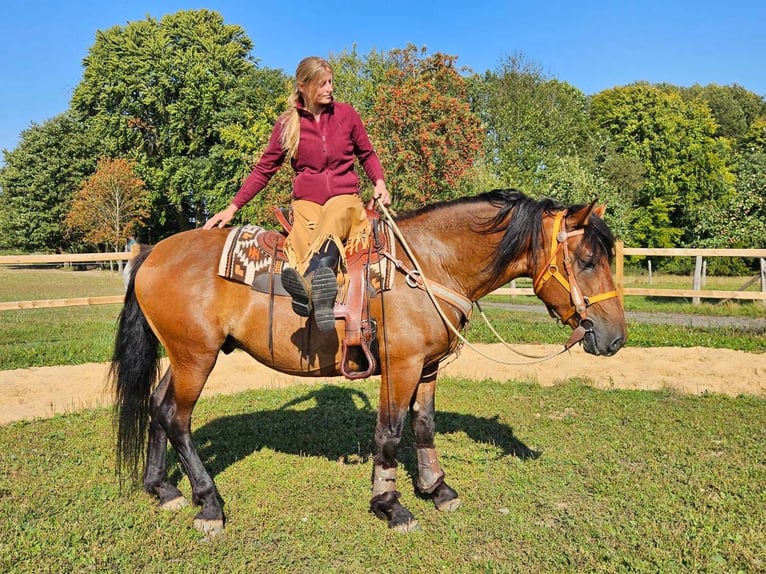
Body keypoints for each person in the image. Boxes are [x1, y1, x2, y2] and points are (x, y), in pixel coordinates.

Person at [204, 56, 391, 332]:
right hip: (306, 203)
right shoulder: (287, 125)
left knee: (336, 215)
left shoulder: (347, 115)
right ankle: (322, 295)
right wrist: (233, 207)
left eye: (330, 82)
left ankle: (310, 285)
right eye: (322, 84)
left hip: (345, 198)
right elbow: (264, 169)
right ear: (303, 86)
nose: (329, 88)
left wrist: (379, 180)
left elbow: (367, 153)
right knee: (304, 235)